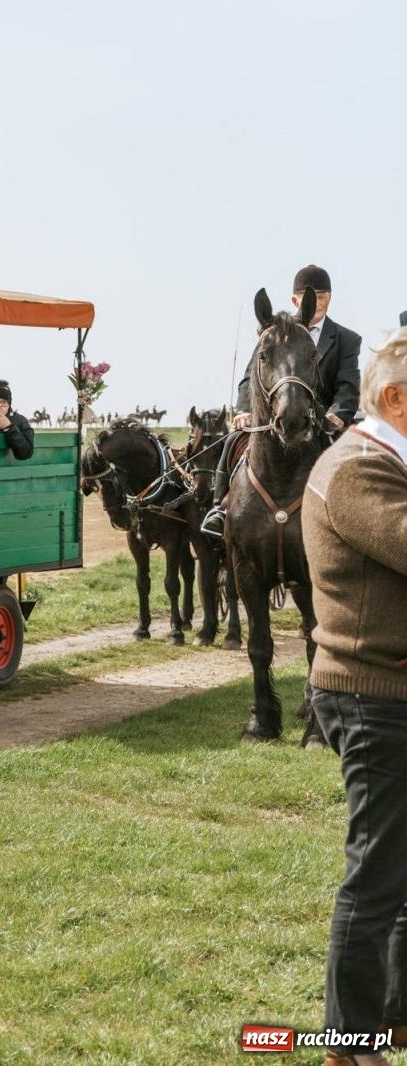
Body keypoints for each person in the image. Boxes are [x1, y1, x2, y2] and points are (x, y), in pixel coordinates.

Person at [304, 328, 407, 1066]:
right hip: (374, 695)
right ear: (397, 397)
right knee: (375, 876)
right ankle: (348, 1043)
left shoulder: (386, 462)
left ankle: (393, 1019)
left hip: (392, 690)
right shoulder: (356, 471)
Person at [203, 265, 362, 535]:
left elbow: (348, 384)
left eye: (323, 297)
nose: (319, 303)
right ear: (295, 301)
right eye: (312, 297)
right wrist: (243, 409)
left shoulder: (347, 339)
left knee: (354, 454)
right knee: (233, 441)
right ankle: (219, 508)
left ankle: (355, 514)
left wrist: (338, 413)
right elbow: (249, 378)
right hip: (277, 415)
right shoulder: (273, 336)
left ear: (329, 299)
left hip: (322, 421)